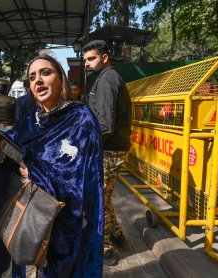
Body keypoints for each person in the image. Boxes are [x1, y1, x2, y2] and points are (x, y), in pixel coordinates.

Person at [0, 54, 104, 277]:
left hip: (64, 229)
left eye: (45, 73)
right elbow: (13, 154)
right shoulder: (31, 121)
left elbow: (78, 178)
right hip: (27, 225)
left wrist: (35, 172)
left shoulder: (81, 118)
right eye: (32, 77)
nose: (38, 80)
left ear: (61, 79)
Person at [83, 40, 132, 266]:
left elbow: (104, 126)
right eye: (85, 60)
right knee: (103, 196)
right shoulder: (107, 79)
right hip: (113, 148)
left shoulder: (106, 80)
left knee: (96, 199)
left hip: (109, 149)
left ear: (104, 58)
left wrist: (85, 147)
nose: (87, 64)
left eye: (91, 59)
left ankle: (106, 248)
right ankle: (117, 235)